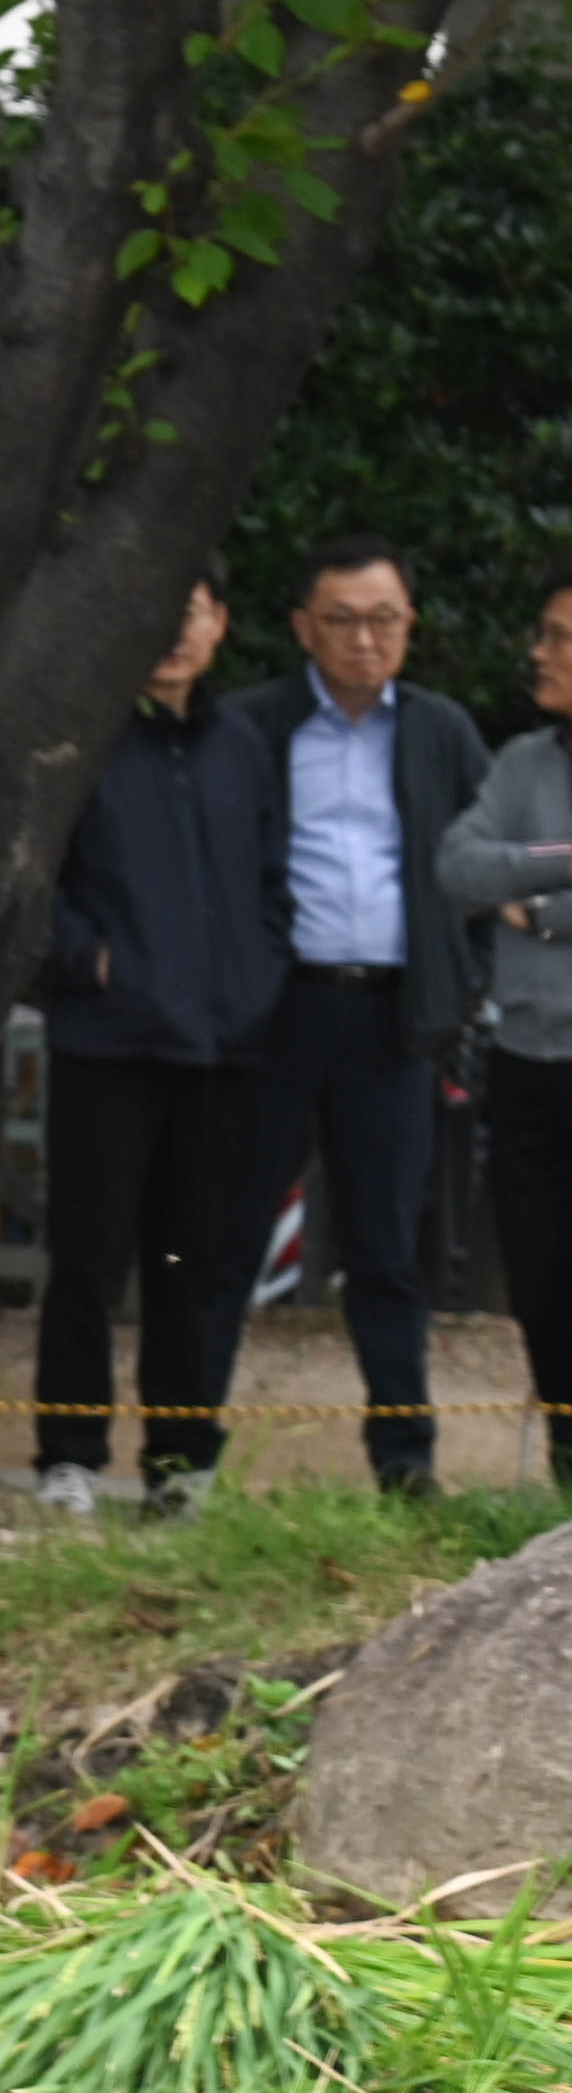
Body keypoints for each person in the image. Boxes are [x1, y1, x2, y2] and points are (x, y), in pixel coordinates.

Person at [216, 537, 492, 1495]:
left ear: (411, 625)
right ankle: (184, 1460)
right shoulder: (252, 725)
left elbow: (483, 867)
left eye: (385, 619)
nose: (365, 640)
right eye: (342, 620)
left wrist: (463, 983)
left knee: (387, 1252)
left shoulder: (442, 732)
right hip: (278, 1012)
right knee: (227, 1237)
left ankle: (405, 1461)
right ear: (303, 627)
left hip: (393, 1017)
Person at [30, 555, 291, 1520]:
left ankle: (181, 1462)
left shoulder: (243, 745)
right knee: (87, 1261)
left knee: (194, 1266)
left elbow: (272, 883)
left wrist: (258, 976)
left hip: (221, 1047)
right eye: (157, 611)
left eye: (195, 612)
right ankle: (68, 1456)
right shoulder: (80, 739)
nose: (176, 634)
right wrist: (89, 962)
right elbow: (31, 885)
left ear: (222, 623)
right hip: (107, 1043)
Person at [435, 559, 572, 1490]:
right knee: (541, 1287)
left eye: (561, 636)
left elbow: (508, 886)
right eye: (545, 633)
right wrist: (556, 862)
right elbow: (460, 866)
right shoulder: (524, 762)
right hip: (528, 1064)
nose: (542, 651)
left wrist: (544, 907)